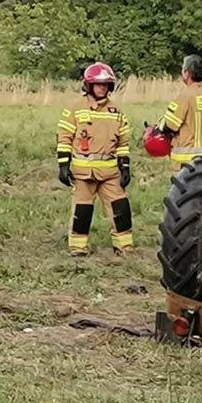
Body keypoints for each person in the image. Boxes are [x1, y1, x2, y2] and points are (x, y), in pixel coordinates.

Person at [57, 62, 133, 257]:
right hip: (83, 172)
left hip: (110, 172)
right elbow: (64, 137)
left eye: (106, 84)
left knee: (121, 209)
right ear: (88, 85)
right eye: (99, 84)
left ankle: (124, 247)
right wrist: (63, 166)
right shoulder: (75, 109)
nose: (102, 88)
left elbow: (123, 141)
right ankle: (78, 249)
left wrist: (125, 167)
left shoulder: (116, 111)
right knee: (82, 211)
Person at [156, 55, 202, 170]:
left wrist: (159, 126)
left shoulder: (185, 96)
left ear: (187, 73)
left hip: (187, 161)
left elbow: (170, 126)